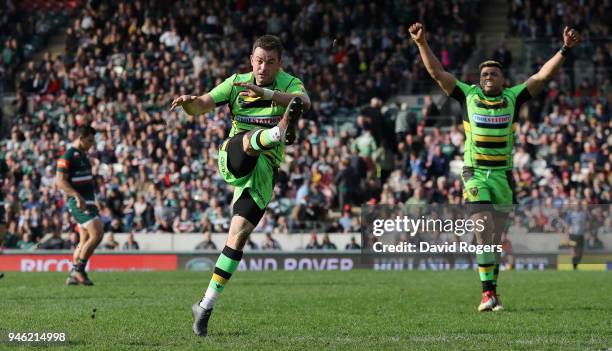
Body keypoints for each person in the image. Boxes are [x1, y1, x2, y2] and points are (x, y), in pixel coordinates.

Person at [410, 22, 580, 312]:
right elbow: (437, 73)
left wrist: (565, 49)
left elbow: (542, 75)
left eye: (494, 74)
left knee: (495, 239)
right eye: (484, 74)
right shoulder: (467, 95)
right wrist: (421, 43)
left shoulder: (512, 97)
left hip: (503, 175)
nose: (488, 77)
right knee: (483, 227)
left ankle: (493, 292)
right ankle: (486, 294)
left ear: (503, 80)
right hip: (474, 172)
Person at [170, 34, 310, 337]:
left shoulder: (288, 83)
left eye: (270, 62)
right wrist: (188, 105)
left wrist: (267, 95)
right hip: (234, 154)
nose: (263, 67)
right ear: (251, 59)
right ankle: (277, 133)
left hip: (264, 171)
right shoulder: (236, 83)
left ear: (279, 64)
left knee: (239, 235)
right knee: (248, 143)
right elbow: (202, 105)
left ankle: (205, 305)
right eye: (259, 60)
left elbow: (304, 102)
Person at [56, 125, 104, 286]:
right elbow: (60, 181)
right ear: (81, 138)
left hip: (88, 201)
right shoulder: (68, 155)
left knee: (84, 239)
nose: (92, 144)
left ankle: (72, 274)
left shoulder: (83, 155)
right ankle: (79, 269)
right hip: (78, 202)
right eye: (90, 140)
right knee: (97, 233)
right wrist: (77, 196)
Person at [0, 155, 13, 280]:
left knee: (2, 232)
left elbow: (11, 177)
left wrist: (7, 186)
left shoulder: (1, 161)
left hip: (0, 203)